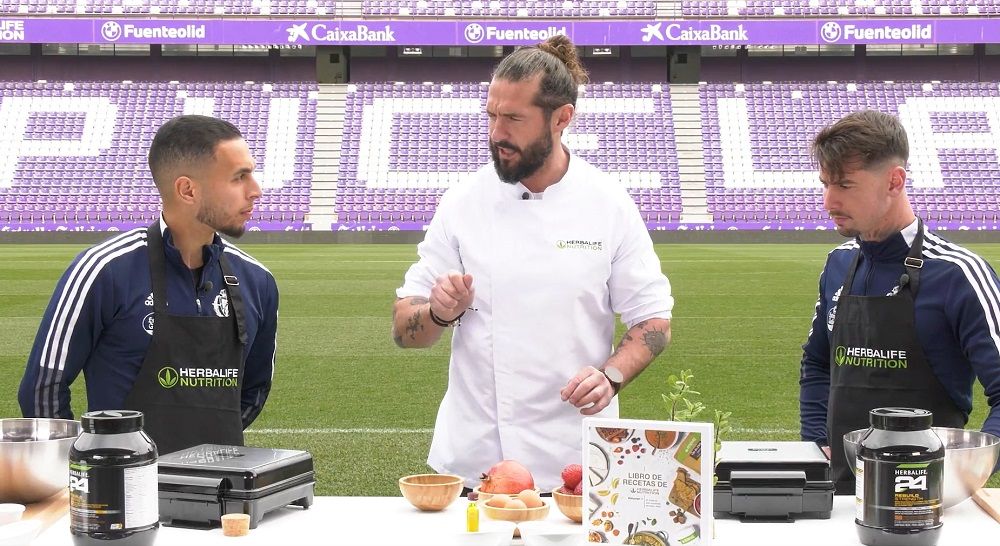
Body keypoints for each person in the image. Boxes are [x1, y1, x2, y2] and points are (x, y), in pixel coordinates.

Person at [391, 36, 674, 491]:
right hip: (473, 463)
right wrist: (440, 313)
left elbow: (653, 322)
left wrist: (611, 377)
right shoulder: (463, 202)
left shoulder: (608, 203)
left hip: (575, 468)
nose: (496, 133)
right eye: (492, 115)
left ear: (562, 118)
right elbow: (405, 328)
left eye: (514, 119)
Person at [19, 115, 279, 455]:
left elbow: (254, 390)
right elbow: (42, 390)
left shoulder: (257, 280)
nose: (256, 190)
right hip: (122, 495)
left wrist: (197, 453)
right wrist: (98, 471)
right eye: (239, 177)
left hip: (219, 493)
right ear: (187, 189)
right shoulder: (103, 270)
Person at [799, 110, 1000, 494]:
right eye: (825, 183)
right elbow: (817, 362)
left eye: (844, 185)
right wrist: (814, 443)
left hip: (930, 501)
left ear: (894, 181)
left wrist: (967, 472)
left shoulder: (958, 274)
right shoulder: (838, 263)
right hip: (840, 496)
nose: (828, 201)